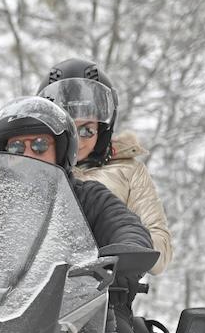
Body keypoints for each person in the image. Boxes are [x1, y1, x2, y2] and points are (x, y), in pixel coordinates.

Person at [0, 96, 153, 333]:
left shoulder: (89, 197)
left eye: (40, 145)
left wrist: (122, 251)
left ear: (61, 152)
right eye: (16, 148)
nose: (28, 154)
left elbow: (126, 226)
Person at [37, 58, 173, 276]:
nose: (77, 140)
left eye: (86, 130)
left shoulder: (128, 172)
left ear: (102, 130)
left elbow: (160, 248)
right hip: (38, 287)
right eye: (67, 129)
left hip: (106, 286)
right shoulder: (36, 170)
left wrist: (124, 248)